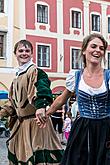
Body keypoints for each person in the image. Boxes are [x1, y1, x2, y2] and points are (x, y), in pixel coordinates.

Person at [36, 33, 110, 165]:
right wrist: (46, 114)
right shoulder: (75, 76)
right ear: (84, 50)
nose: (97, 50)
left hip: (106, 128)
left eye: (101, 48)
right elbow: (61, 99)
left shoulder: (108, 76)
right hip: (82, 129)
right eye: (93, 46)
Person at [0, 39, 63, 165]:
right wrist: (3, 112)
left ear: (32, 53)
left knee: (38, 155)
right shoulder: (17, 77)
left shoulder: (35, 71)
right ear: (15, 53)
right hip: (22, 124)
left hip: (36, 123)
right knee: (21, 155)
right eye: (21, 51)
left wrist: (41, 106)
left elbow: (42, 87)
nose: (24, 53)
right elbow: (13, 103)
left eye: (27, 51)